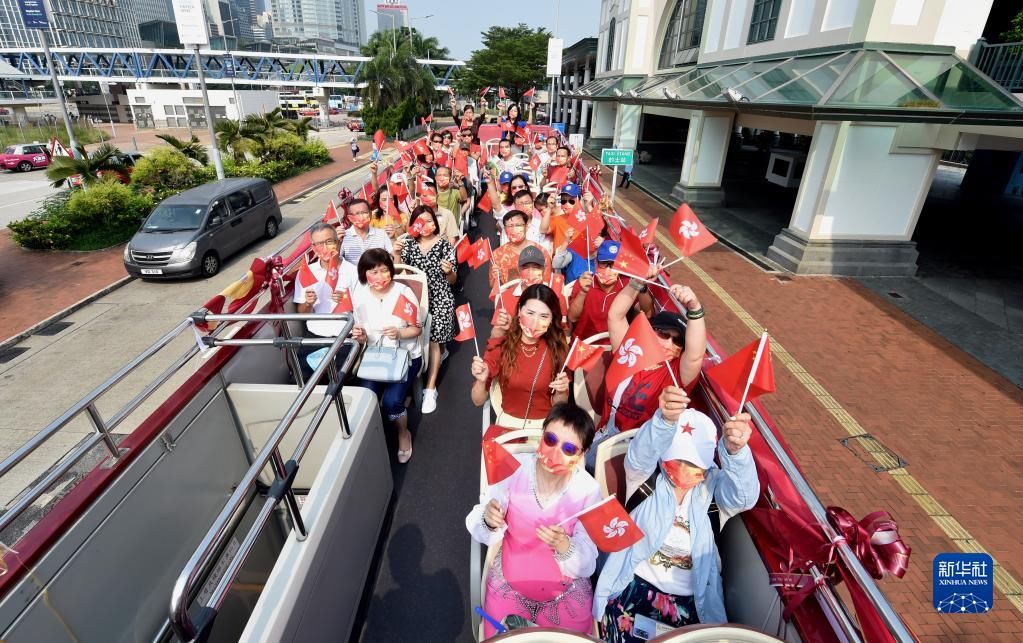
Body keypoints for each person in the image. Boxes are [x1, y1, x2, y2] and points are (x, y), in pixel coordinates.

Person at [594, 387, 759, 641]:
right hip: (633, 586)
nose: (683, 469)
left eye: (693, 464)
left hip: (694, 603)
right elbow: (640, 455)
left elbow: (745, 496)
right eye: (676, 460)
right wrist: (664, 420)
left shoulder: (712, 490)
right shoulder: (646, 477)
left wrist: (736, 453)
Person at [466, 403, 602, 638]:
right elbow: (483, 519)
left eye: (569, 448)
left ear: (582, 453)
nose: (555, 452)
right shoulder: (512, 471)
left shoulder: (588, 490)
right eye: (550, 439)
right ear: (542, 436)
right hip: (509, 589)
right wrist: (489, 519)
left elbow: (588, 562)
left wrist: (564, 546)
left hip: (566, 596)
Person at [591, 277, 706, 463]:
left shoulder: (675, 375)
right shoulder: (630, 350)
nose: (670, 344)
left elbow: (695, 355)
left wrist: (695, 308)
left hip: (638, 454)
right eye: (663, 334)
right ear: (650, 331)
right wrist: (636, 282)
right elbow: (615, 316)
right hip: (601, 439)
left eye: (678, 341)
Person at [351, 249, 424, 463]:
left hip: (405, 356)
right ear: (364, 274)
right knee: (365, 396)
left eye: (384, 271)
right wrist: (360, 336)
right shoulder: (360, 295)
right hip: (376, 357)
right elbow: (362, 332)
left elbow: (416, 329)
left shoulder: (403, 293)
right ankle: (375, 434)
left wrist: (400, 333)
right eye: (373, 272)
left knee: (392, 401)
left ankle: (403, 433)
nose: (380, 277)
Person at [470, 284, 570, 430]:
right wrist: (481, 381)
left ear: (551, 320)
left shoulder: (558, 348)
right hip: (508, 425)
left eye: (543, 316)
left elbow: (560, 405)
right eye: (530, 313)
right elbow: (477, 400)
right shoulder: (501, 345)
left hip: (545, 426)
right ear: (519, 311)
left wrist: (561, 391)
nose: (535, 322)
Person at [395, 205, 456, 414]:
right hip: (415, 297)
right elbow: (400, 272)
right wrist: (396, 252)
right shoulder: (408, 244)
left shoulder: (444, 245)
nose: (426, 226)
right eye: (420, 222)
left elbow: (453, 280)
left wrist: (448, 272)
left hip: (439, 296)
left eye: (430, 221)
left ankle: (430, 388)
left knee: (433, 340)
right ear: (414, 224)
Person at [294, 222, 359, 378]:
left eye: (328, 242)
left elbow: (362, 309)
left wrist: (345, 300)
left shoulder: (353, 271)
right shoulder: (306, 272)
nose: (324, 248)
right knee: (302, 376)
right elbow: (301, 313)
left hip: (345, 333)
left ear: (337, 242)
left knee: (340, 378)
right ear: (313, 247)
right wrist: (308, 303)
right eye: (319, 244)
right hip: (315, 333)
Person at [567, 240, 652, 341]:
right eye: (603, 263)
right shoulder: (585, 282)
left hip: (616, 346)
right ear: (595, 262)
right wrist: (582, 292)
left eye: (613, 264)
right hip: (584, 344)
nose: (608, 269)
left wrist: (641, 285)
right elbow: (572, 318)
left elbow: (648, 313)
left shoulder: (629, 284)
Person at [490, 211, 552, 291]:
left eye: (518, 225)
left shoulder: (541, 252)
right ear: (505, 229)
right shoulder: (497, 255)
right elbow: (494, 287)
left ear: (526, 227)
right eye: (510, 226)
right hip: (509, 299)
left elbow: (548, 282)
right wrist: (497, 278)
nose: (514, 229)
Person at [340, 198, 393, 264]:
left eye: (364, 213)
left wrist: (393, 238)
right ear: (350, 218)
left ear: (370, 214)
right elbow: (336, 261)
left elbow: (393, 256)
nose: (361, 216)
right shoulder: (344, 236)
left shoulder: (382, 234)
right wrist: (336, 243)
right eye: (357, 214)